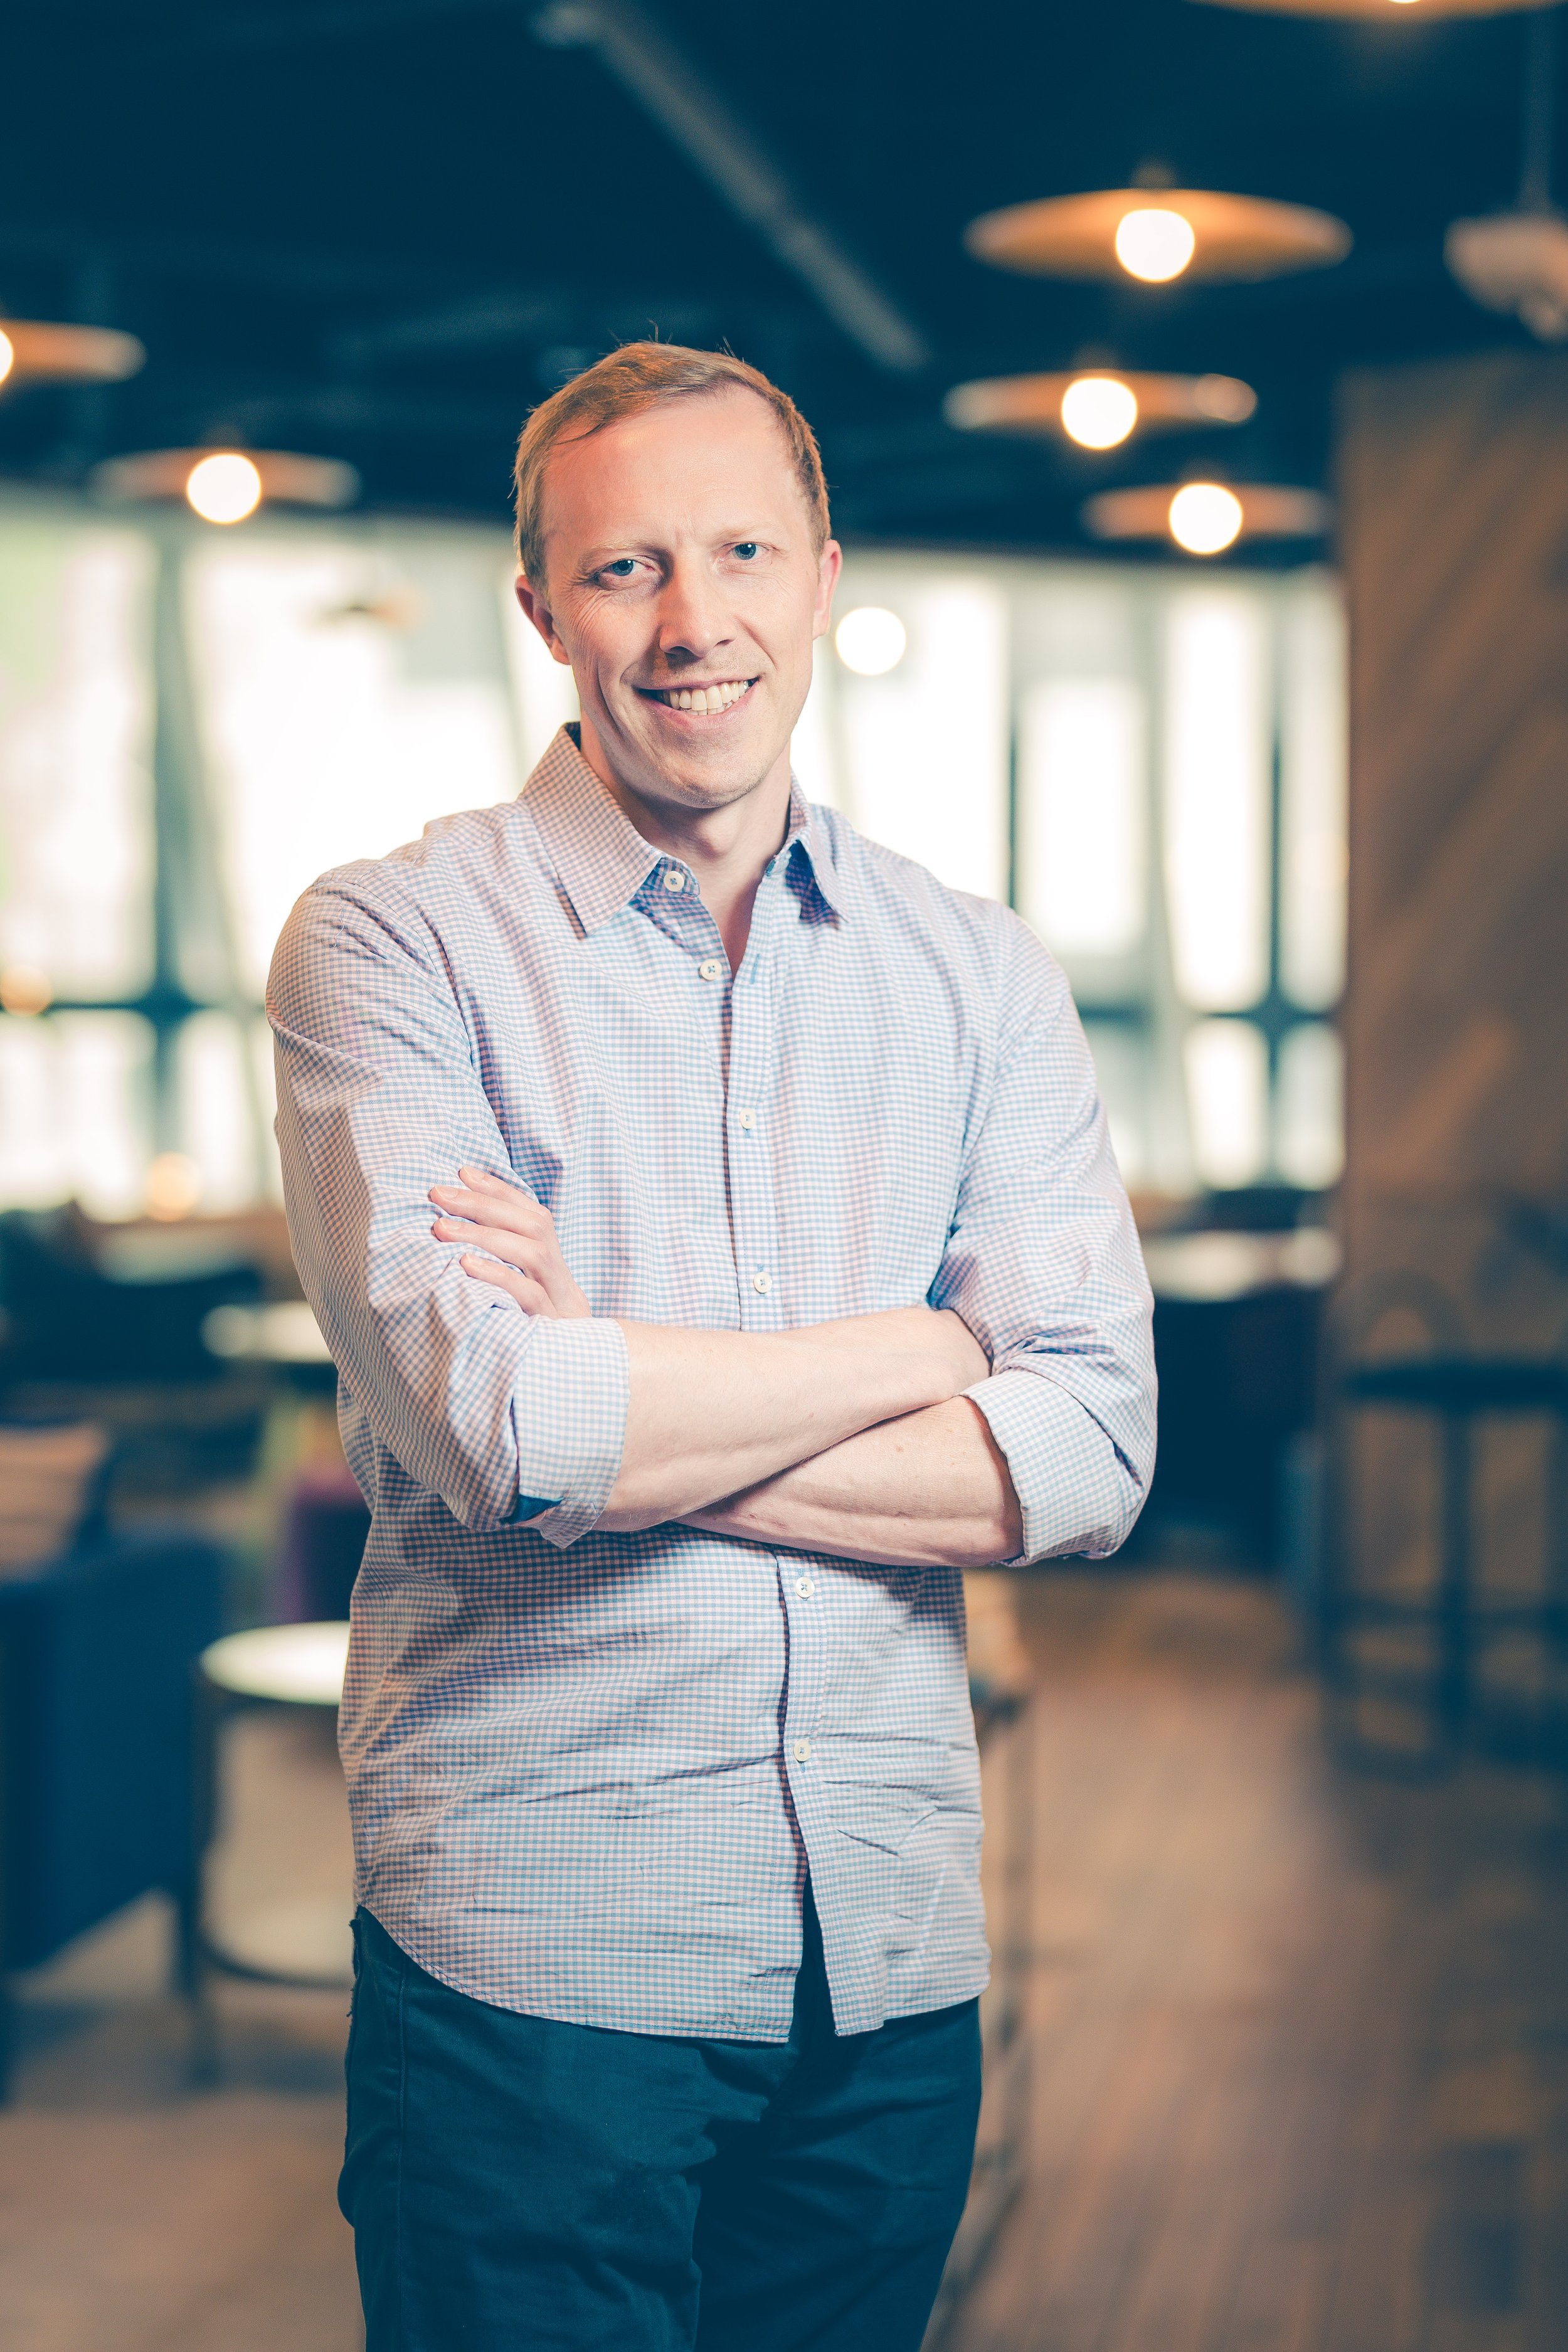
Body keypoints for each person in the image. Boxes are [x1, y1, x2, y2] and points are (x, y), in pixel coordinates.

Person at [268, 341, 1155, 2352]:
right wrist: (934, 1343)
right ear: (540, 608)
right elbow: (515, 1432)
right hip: (532, 1972)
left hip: (889, 1962)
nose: (693, 624)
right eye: (625, 569)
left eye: (742, 550)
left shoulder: (973, 972)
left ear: (823, 574)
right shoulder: (390, 947)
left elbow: (1091, 1454)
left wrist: (632, 1378)